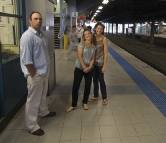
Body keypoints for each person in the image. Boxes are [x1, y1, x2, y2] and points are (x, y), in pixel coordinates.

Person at [20, 11, 56, 136]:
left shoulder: (41, 35)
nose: (39, 21)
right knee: (33, 100)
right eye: (35, 19)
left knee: (42, 96)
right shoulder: (27, 37)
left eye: (40, 19)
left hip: (44, 72)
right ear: (30, 20)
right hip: (35, 74)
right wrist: (34, 75)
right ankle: (32, 126)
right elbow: (27, 60)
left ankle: (43, 111)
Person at [65, 29, 96, 112]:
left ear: (91, 34)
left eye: (89, 33)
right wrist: (84, 67)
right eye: (85, 34)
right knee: (76, 86)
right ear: (83, 36)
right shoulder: (81, 44)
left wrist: (89, 67)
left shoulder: (93, 46)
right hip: (79, 67)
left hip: (89, 68)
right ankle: (73, 104)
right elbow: (79, 56)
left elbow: (93, 58)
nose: (88, 35)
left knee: (88, 86)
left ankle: (84, 102)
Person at [89, 22, 108, 105]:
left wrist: (104, 66)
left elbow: (105, 53)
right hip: (93, 62)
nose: (99, 30)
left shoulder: (104, 39)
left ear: (103, 30)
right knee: (95, 80)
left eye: (101, 29)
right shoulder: (93, 37)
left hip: (100, 63)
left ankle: (104, 97)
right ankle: (96, 95)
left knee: (101, 80)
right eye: (98, 28)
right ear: (95, 28)